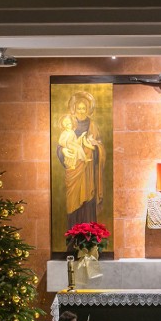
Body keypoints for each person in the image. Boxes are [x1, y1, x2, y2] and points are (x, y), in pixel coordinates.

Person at [57, 91, 106, 227]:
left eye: (84, 108)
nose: (81, 111)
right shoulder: (69, 124)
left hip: (88, 172)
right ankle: (73, 236)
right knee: (72, 201)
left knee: (88, 201)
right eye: (78, 108)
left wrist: (93, 148)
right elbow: (60, 146)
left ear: (88, 109)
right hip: (73, 169)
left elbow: (100, 146)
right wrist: (63, 151)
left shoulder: (92, 125)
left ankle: (89, 236)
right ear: (74, 109)